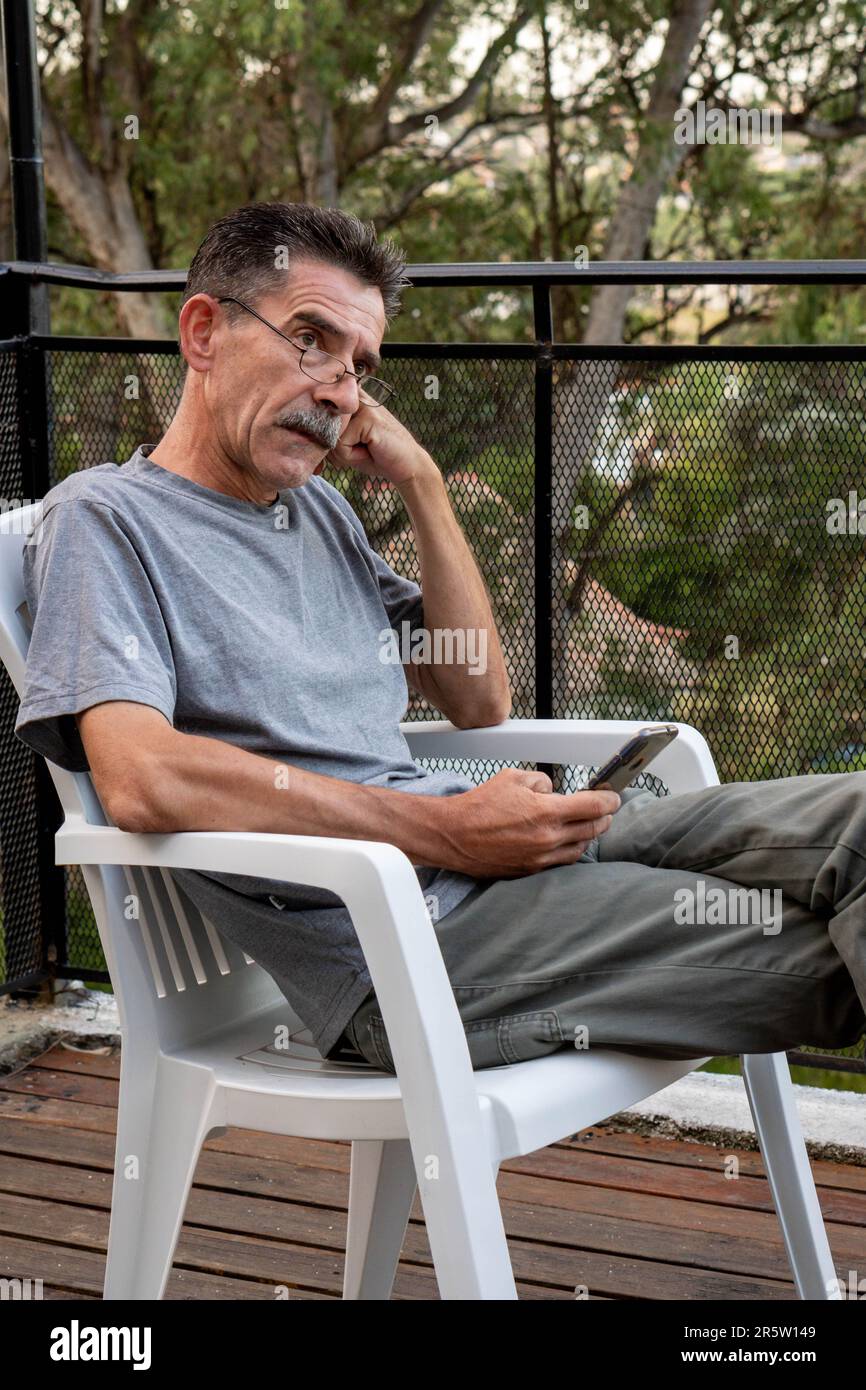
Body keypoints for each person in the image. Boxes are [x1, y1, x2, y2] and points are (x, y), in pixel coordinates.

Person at [15, 202, 866, 1074]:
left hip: (492, 868)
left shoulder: (318, 513)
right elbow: (142, 777)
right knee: (821, 949)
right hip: (401, 950)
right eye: (312, 339)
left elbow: (475, 695)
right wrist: (441, 831)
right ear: (204, 333)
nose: (340, 390)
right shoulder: (103, 520)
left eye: (359, 367)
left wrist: (423, 484)